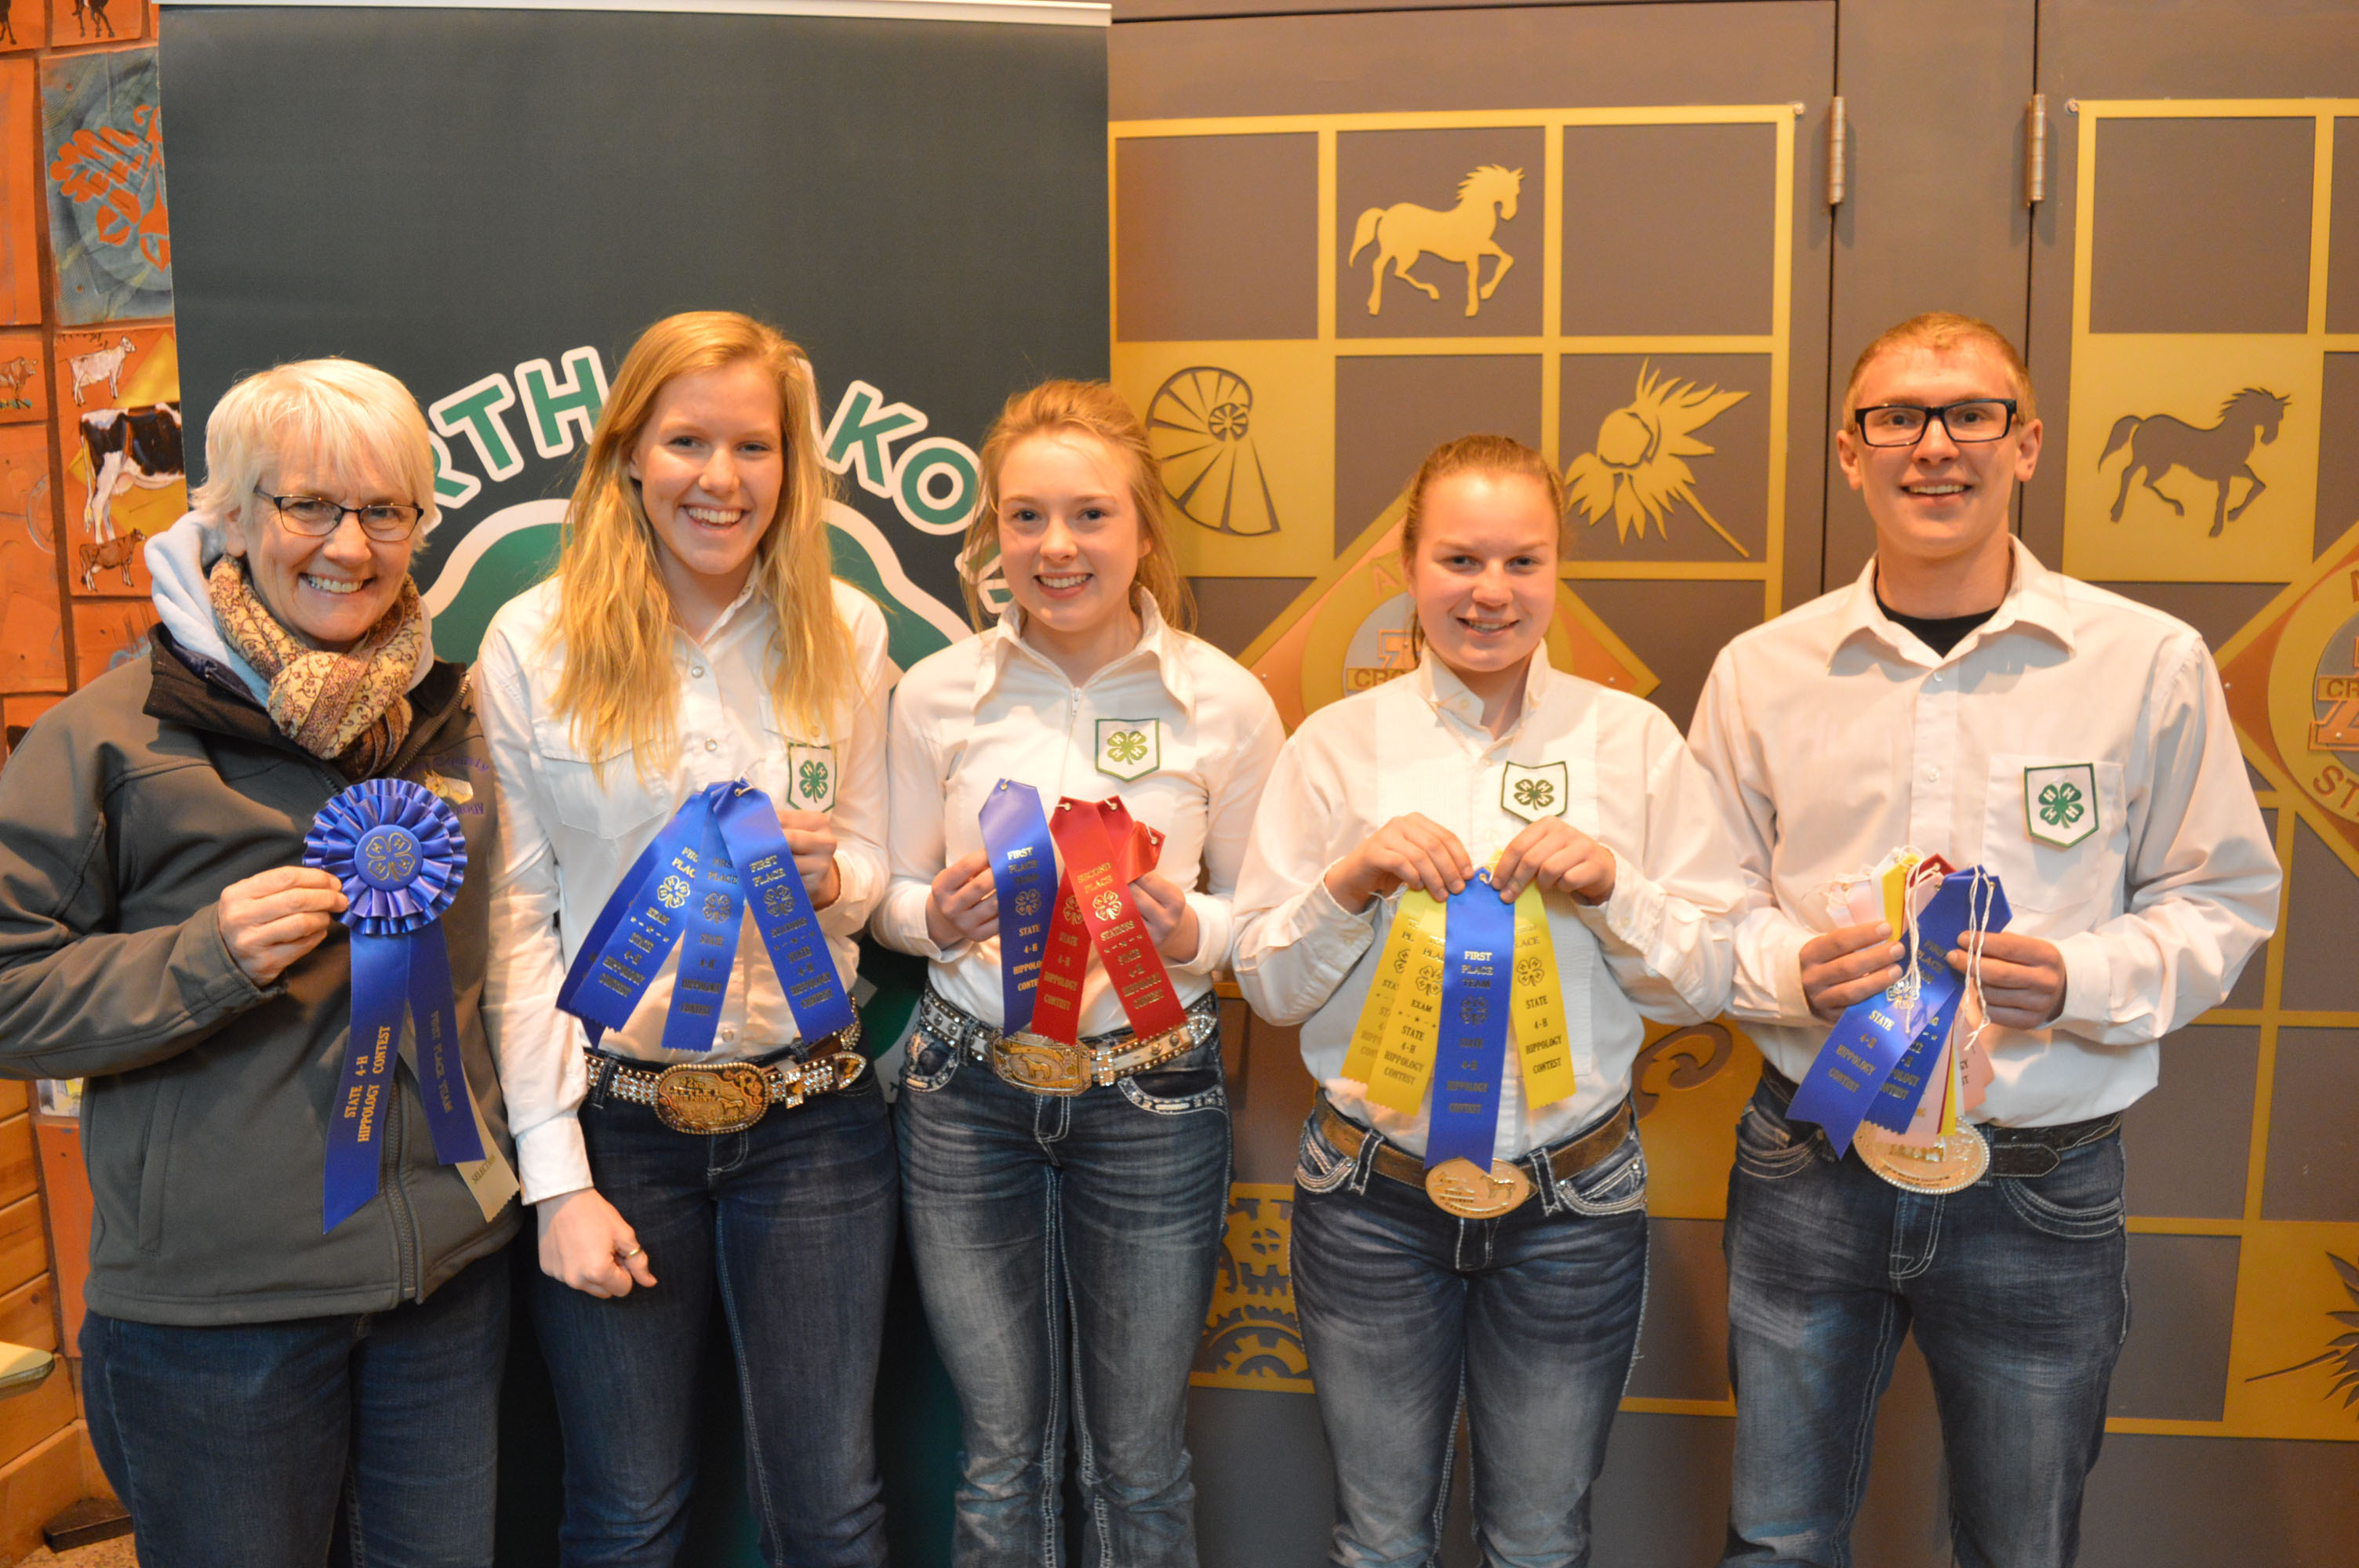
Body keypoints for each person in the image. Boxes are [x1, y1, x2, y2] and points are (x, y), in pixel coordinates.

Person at [1688, 312, 2281, 1568]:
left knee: (2021, 1551)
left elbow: (2223, 896)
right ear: (1850, 455)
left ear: (2028, 444)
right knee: (1778, 1543)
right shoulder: (1761, 673)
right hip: (1814, 1164)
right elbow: (1701, 909)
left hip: (2041, 1183)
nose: (1935, 446)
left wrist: (2079, 978)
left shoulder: (2148, 663)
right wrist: (1786, 970)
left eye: (1971, 414)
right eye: (1898, 417)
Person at [0, 359, 518, 1566]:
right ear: (229, 518)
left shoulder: (450, 723)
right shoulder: (109, 735)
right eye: (309, 507)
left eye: (387, 511)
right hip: (217, 1322)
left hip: (443, 1290)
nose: (351, 546)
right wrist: (204, 958)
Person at [1231, 434, 1743, 1568]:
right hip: (1373, 1197)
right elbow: (1267, 985)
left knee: (1541, 1541)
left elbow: (1703, 978)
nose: (1492, 593)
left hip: (1575, 1198)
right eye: (1460, 560)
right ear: (1407, 571)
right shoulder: (1334, 749)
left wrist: (1617, 889)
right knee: (1378, 1541)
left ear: (1560, 572)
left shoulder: (1634, 745)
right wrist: (1350, 880)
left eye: (1524, 561)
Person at [478, 310, 896, 1566]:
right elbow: (514, 925)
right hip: (620, 1134)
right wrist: (557, 1181)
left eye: (754, 446)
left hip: (814, 1127)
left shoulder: (850, 629)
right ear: (626, 457)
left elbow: (878, 865)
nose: (722, 479)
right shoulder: (534, 643)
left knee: (829, 1512)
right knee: (627, 1512)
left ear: (790, 464)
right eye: (687, 441)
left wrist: (832, 878)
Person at [872, 379, 1281, 1566]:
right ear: (991, 534)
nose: (1057, 549)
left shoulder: (1226, 702)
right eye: (1027, 518)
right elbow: (887, 891)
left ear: (1145, 530)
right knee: (1001, 1455)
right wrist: (931, 915)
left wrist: (1189, 929)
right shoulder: (939, 693)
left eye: (1091, 516)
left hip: (1153, 1100)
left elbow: (1271, 926)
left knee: (1139, 1463)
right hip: (967, 1099)